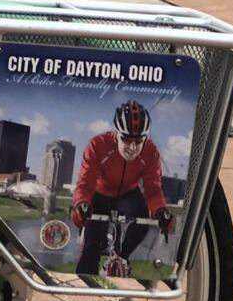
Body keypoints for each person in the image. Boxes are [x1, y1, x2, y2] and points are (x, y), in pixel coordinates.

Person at [70, 100, 175, 275]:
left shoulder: (150, 152)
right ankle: (87, 274)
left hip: (128, 193)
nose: (133, 147)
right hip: (100, 192)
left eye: (139, 140)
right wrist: (81, 205)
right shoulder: (98, 145)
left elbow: (153, 190)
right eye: (126, 139)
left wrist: (160, 211)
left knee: (142, 223)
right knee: (91, 247)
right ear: (117, 134)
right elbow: (85, 184)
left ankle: (121, 257)